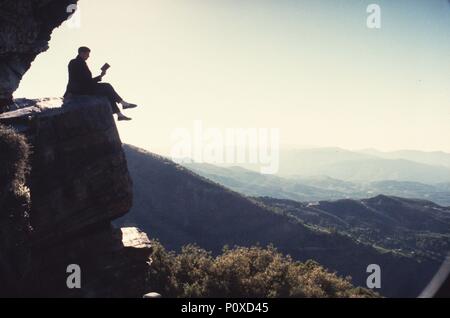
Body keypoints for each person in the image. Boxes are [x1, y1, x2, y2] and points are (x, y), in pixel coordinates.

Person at [64, 46, 137, 121]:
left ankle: (120, 114)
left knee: (107, 92)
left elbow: (86, 80)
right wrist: (98, 78)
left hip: (83, 87)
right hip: (80, 89)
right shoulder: (75, 62)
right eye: (87, 54)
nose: (88, 56)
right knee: (107, 86)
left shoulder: (80, 62)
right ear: (82, 53)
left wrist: (100, 76)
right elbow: (83, 80)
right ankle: (122, 103)